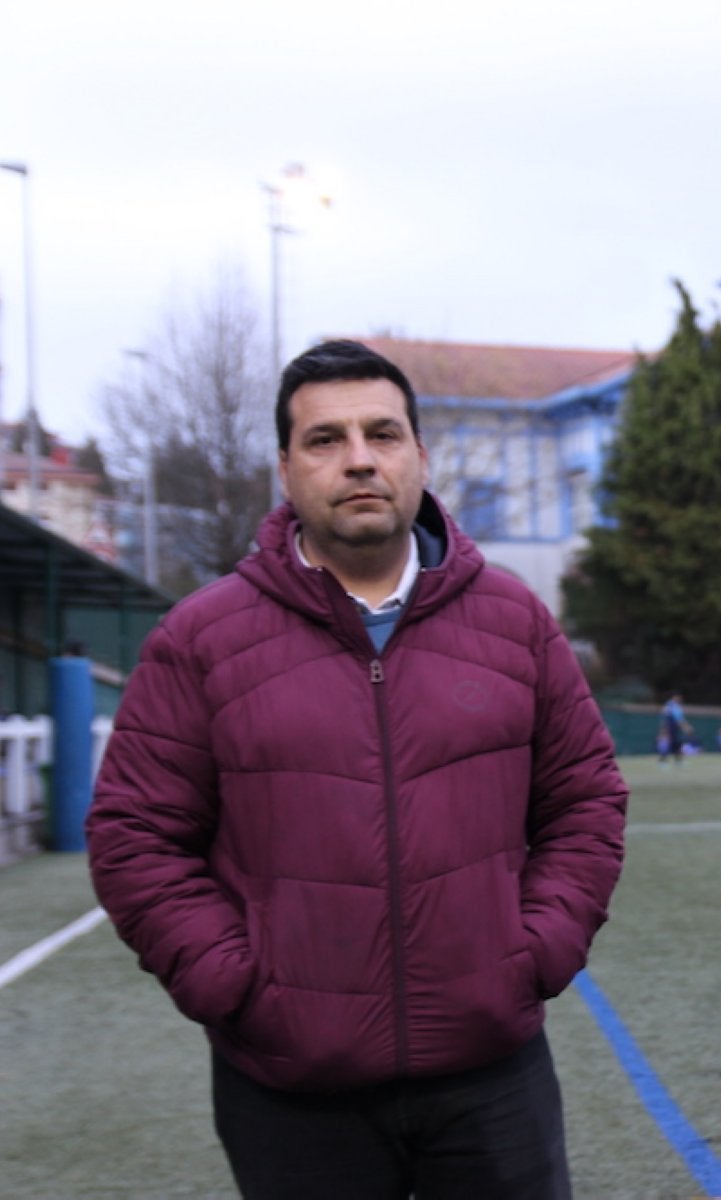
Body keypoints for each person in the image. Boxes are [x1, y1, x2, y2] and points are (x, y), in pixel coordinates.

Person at [85, 340, 628, 1200]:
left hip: (490, 1074)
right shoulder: (201, 639)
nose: (359, 459)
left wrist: (534, 950)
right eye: (325, 439)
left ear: (419, 454)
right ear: (286, 469)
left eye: (382, 432)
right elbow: (134, 836)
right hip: (290, 1085)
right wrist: (236, 983)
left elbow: (584, 801)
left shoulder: (515, 621)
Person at [660, 692, 693, 765]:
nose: (680, 700)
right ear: (675, 697)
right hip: (671, 728)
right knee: (670, 743)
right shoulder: (674, 706)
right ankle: (663, 761)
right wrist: (686, 727)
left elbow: (665, 716)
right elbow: (679, 719)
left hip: (670, 727)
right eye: (679, 698)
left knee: (676, 744)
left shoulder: (668, 705)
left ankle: (678, 761)